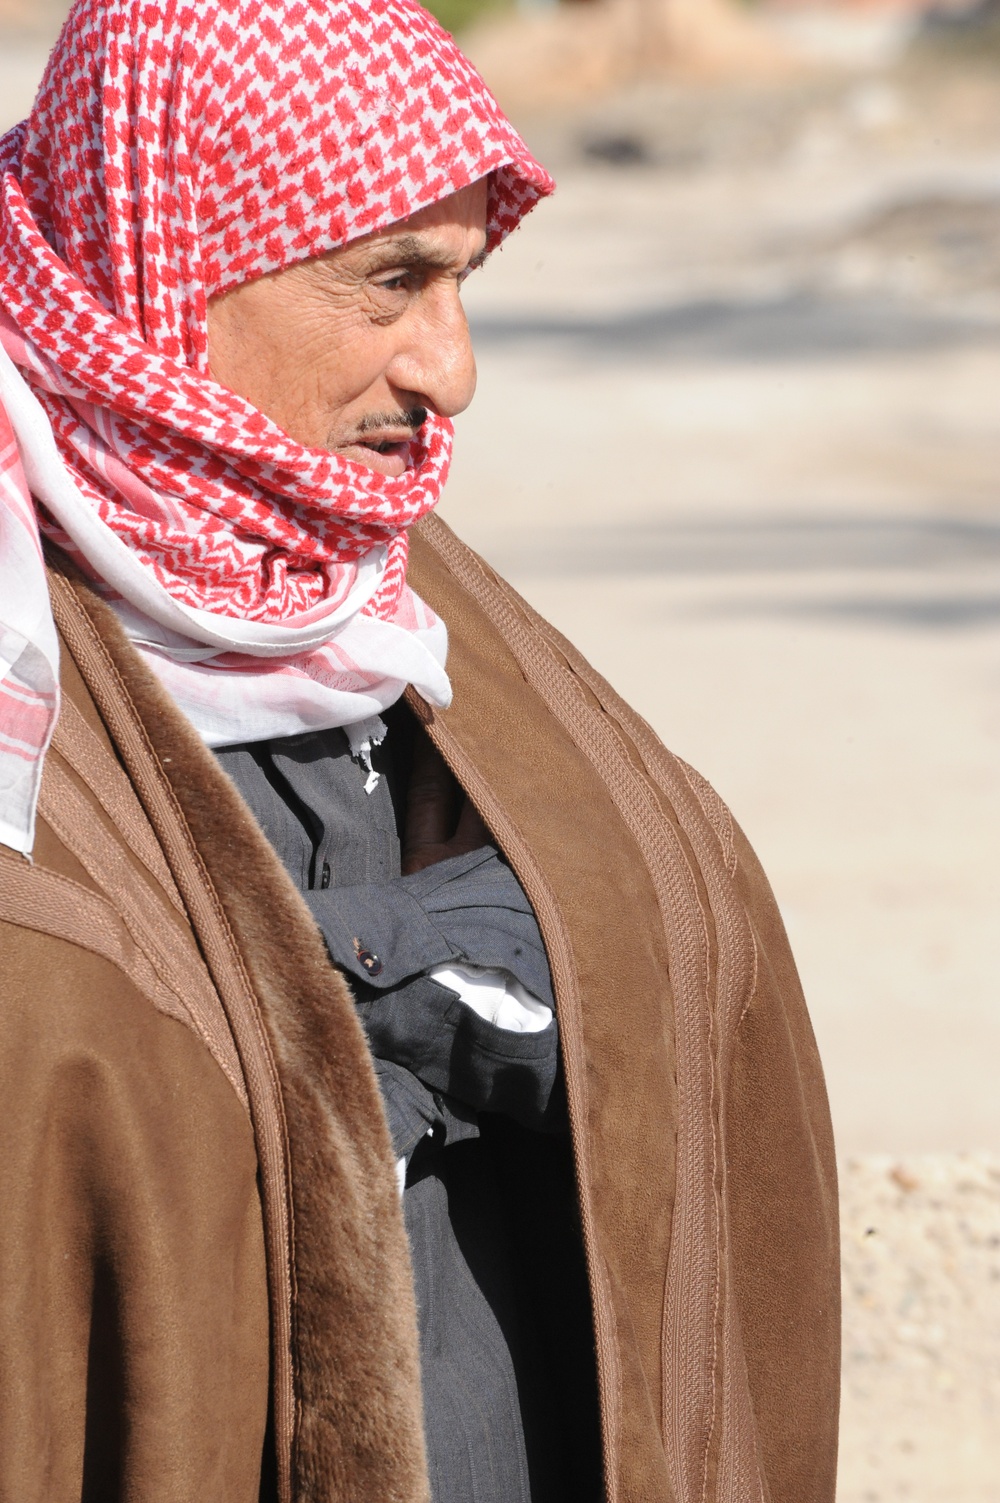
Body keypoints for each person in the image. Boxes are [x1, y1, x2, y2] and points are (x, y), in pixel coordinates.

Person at [0, 1, 840, 1500]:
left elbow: (663, 907)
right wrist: (383, 990)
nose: (446, 374)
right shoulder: (31, 608)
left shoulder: (353, 561)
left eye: (459, 286)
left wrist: (334, 976)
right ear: (169, 257)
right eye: (392, 283)